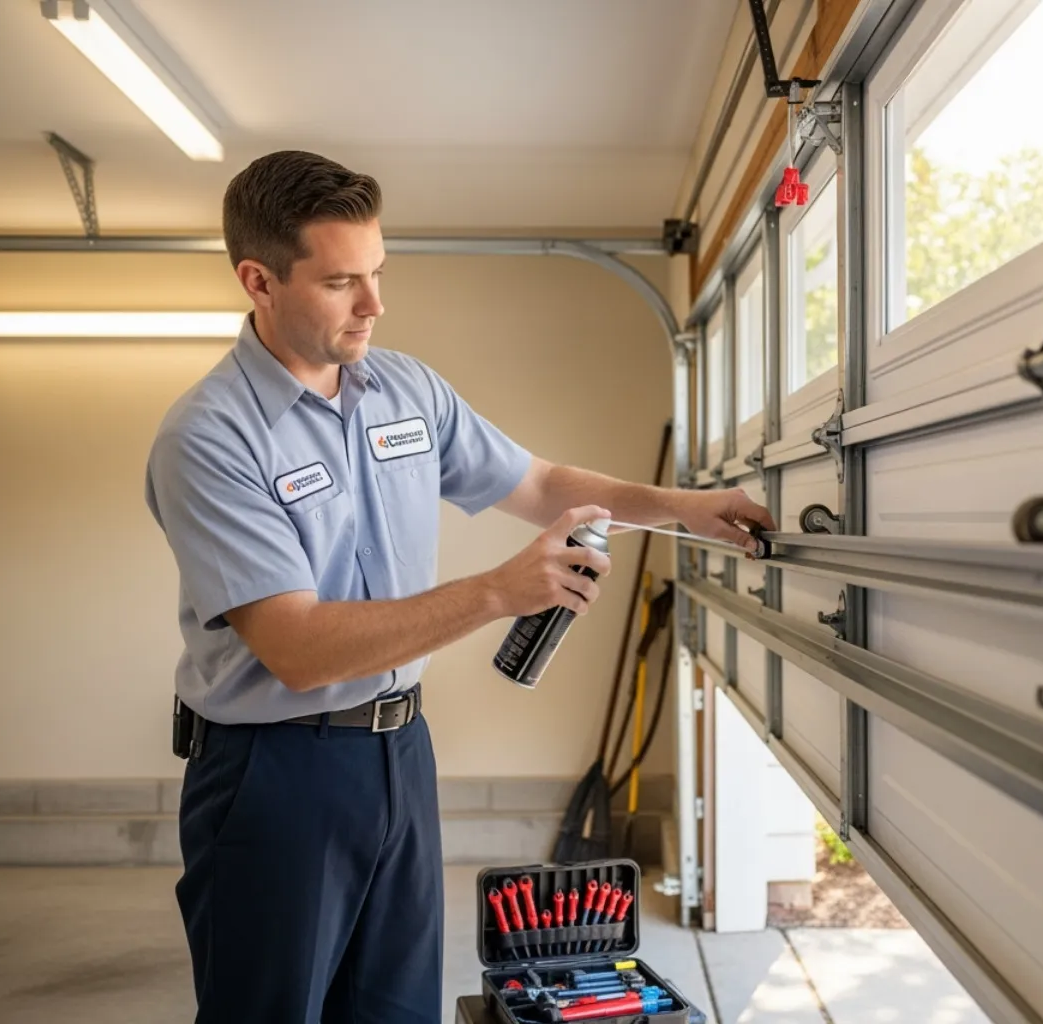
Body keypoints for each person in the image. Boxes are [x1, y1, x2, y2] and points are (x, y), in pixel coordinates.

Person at [143, 149, 774, 1024]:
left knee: (398, 1008)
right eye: (342, 283)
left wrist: (685, 508)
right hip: (272, 771)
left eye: (378, 273)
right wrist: (498, 592)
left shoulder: (405, 390)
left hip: (401, 752)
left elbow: (543, 482)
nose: (374, 304)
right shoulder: (209, 439)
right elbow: (296, 650)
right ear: (259, 279)